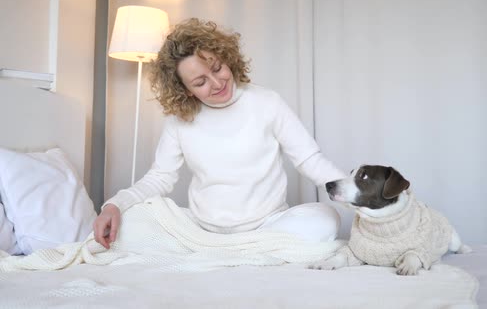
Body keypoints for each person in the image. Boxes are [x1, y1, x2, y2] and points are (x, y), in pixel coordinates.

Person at [93, 18, 345, 249]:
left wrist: (362, 196)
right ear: (186, 90)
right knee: (131, 223)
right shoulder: (180, 120)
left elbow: (309, 159)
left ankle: (230, 251)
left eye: (217, 68)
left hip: (268, 225)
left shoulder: (267, 102)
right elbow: (160, 177)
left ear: (227, 58)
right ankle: (242, 251)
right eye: (200, 82)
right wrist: (115, 204)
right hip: (203, 229)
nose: (217, 83)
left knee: (325, 220)